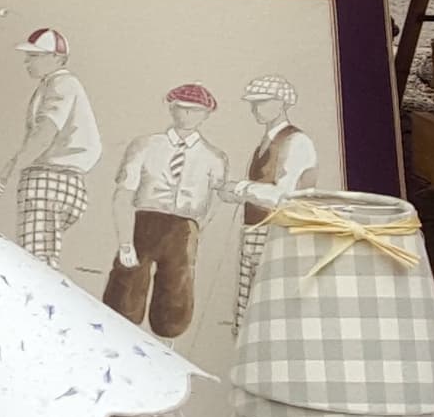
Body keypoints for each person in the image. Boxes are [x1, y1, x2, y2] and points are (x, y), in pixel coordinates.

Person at [103, 82, 231, 341]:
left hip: (184, 230)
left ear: (206, 115)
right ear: (171, 109)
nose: (187, 116)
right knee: (124, 296)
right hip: (144, 223)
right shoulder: (145, 146)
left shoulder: (215, 157)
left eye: (195, 111)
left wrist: (197, 229)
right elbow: (124, 193)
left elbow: (216, 200)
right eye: (181, 108)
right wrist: (125, 242)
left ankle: (167, 346)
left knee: (175, 298)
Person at [0, 26, 100, 265]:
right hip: (64, 181)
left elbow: (44, 134)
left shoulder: (61, 84)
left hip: (50, 179)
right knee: (38, 256)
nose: (27, 62)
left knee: (36, 260)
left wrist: (7, 171)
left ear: (57, 58)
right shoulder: (55, 84)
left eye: (35, 56)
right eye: (28, 56)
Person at [226, 74, 319, 333]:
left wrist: (239, 189)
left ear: (281, 103)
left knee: (272, 302)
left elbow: (284, 195)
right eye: (253, 104)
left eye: (263, 102)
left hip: (282, 231)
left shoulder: (297, 141)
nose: (256, 109)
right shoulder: (265, 142)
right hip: (255, 230)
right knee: (250, 303)